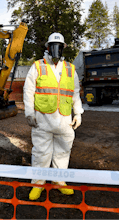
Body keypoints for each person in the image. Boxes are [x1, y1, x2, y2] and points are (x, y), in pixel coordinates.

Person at [23, 33, 84, 200]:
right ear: (47, 48)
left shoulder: (70, 69)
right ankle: (38, 184)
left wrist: (78, 112)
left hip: (64, 120)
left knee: (63, 152)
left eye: (59, 46)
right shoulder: (37, 66)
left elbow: (75, 93)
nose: (55, 50)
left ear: (63, 48)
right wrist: (29, 113)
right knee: (41, 152)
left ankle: (59, 182)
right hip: (43, 119)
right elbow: (28, 91)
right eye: (52, 46)